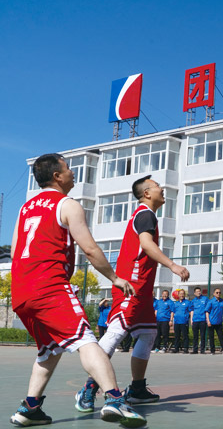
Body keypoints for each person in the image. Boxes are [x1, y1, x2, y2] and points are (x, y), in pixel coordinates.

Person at [10, 153, 145, 427]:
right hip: (49, 287)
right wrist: (114, 278)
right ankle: (115, 399)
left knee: (49, 350)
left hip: (22, 291)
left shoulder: (25, 209)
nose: (73, 173)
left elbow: (15, 252)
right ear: (57, 176)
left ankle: (30, 407)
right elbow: (90, 249)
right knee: (86, 340)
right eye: (68, 168)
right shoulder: (67, 204)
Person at [75, 174, 189, 412]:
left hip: (143, 289)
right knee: (116, 332)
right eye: (157, 186)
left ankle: (137, 388)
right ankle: (89, 387)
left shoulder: (147, 215)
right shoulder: (145, 214)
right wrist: (172, 265)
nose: (161, 188)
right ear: (146, 193)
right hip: (131, 285)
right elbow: (147, 244)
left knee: (147, 334)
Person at [206, 288, 223, 355]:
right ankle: (212, 351)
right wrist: (208, 321)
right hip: (211, 321)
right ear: (214, 293)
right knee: (211, 337)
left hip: (219, 322)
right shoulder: (211, 301)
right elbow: (207, 312)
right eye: (217, 292)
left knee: (221, 336)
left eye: (219, 292)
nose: (218, 294)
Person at [171, 289, 192, 354]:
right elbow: (173, 312)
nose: (182, 295)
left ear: (184, 295)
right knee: (177, 336)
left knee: (185, 336)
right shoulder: (176, 303)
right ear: (178, 295)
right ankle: (176, 348)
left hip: (184, 322)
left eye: (183, 294)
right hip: (177, 322)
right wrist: (171, 320)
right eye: (180, 294)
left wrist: (191, 319)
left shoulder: (188, 302)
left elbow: (190, 312)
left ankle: (185, 348)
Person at [190, 286, 208, 354]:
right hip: (195, 320)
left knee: (202, 335)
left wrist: (207, 319)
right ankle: (195, 350)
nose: (198, 292)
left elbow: (207, 309)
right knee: (195, 336)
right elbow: (192, 310)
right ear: (194, 293)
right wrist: (191, 319)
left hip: (202, 319)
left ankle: (202, 350)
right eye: (197, 292)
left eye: (199, 291)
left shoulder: (205, 299)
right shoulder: (193, 301)